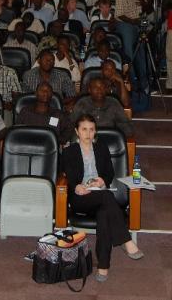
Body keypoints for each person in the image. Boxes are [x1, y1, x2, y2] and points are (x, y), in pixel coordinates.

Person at [62, 114, 143, 282]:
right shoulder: (70, 151)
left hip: (100, 195)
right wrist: (77, 186)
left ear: (95, 131)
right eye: (84, 129)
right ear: (77, 131)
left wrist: (102, 180)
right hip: (81, 198)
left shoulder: (101, 148)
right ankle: (126, 240)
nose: (88, 133)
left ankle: (103, 267)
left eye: (91, 129)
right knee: (106, 197)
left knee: (104, 214)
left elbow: (109, 172)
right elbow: (68, 175)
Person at [115, 0, 152, 105]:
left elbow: (147, 10)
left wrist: (145, 4)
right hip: (125, 25)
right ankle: (133, 85)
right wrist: (134, 22)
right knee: (130, 54)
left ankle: (144, 85)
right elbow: (119, 14)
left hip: (138, 25)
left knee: (142, 54)